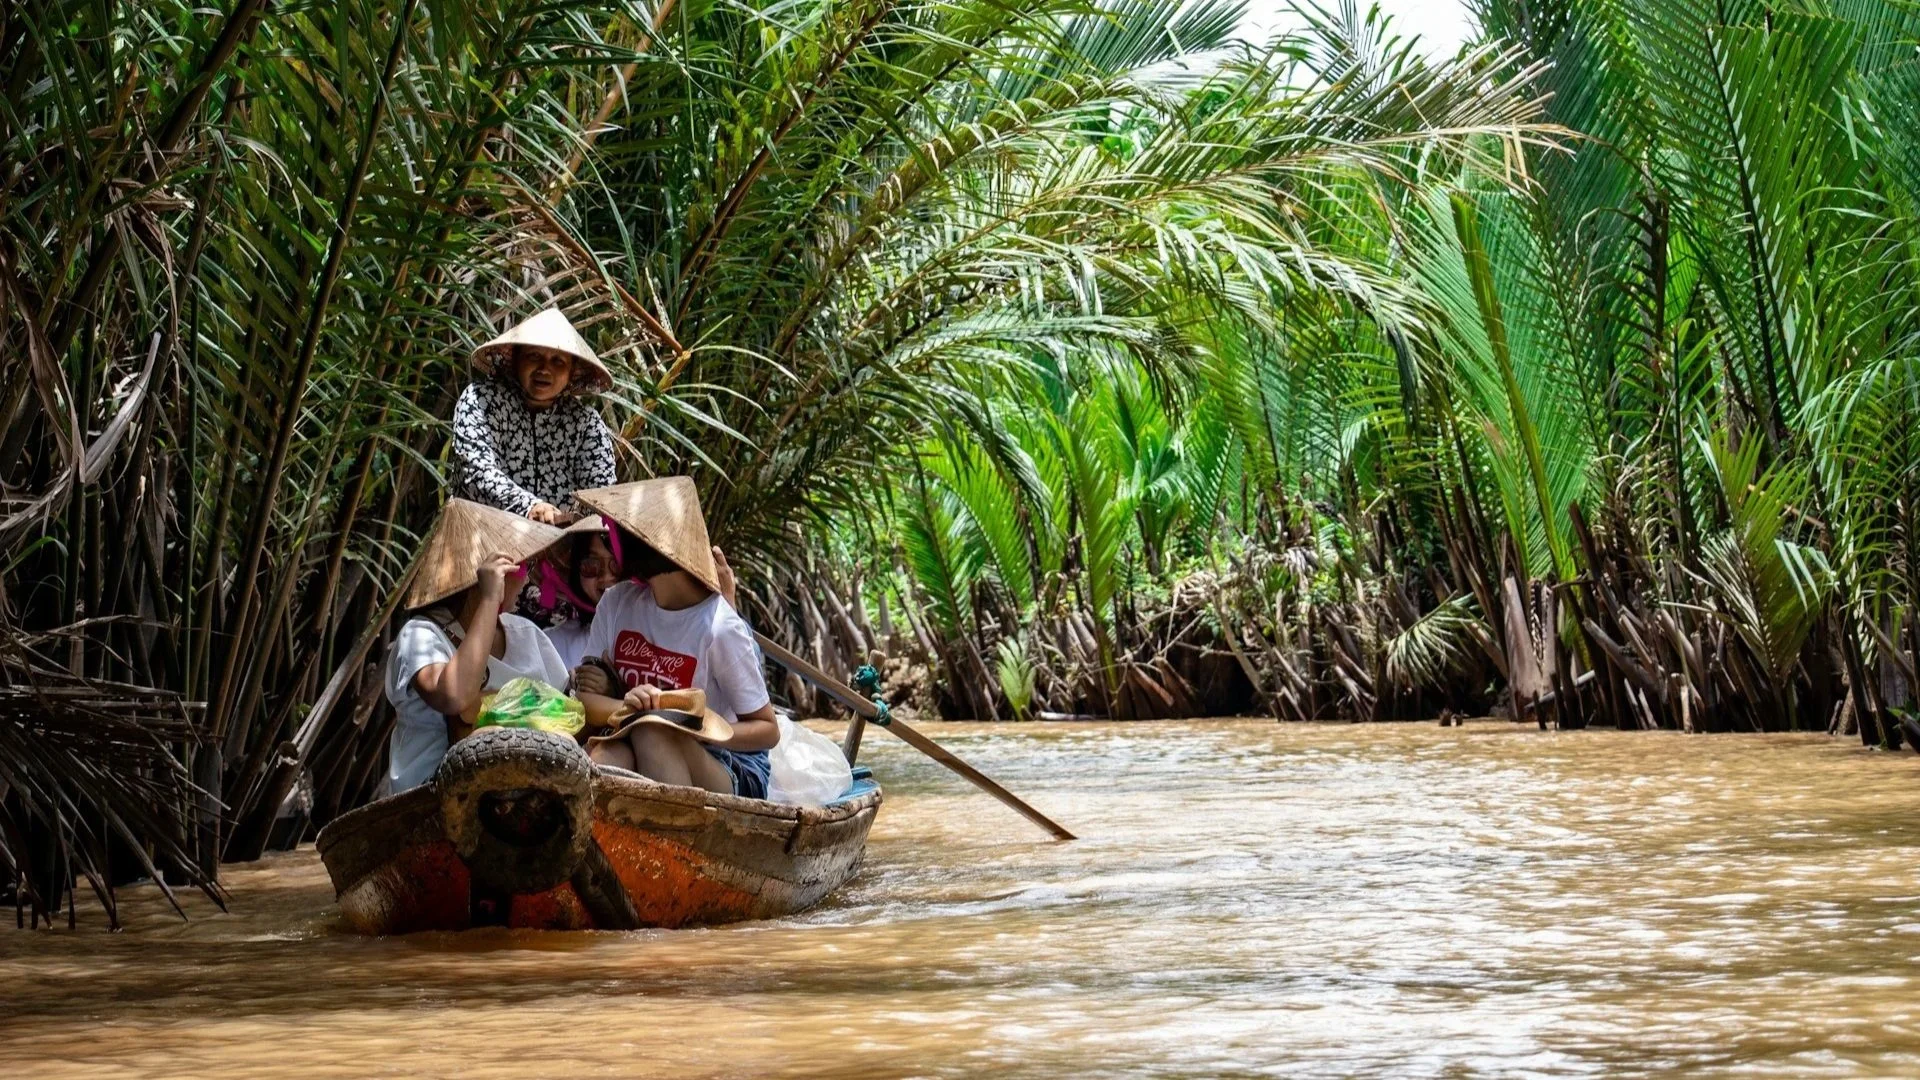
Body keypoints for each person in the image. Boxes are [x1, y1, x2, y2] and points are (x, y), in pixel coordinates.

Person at [570, 477, 779, 799]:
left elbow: (767, 730)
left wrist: (693, 726)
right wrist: (630, 707)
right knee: (608, 756)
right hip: (634, 734)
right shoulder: (617, 602)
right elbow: (585, 699)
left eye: (618, 536)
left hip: (729, 764)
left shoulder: (719, 627)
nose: (612, 545)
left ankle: (679, 837)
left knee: (652, 730)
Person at [385, 500, 570, 793]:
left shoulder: (525, 633)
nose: (527, 579)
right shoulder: (422, 634)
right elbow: (454, 696)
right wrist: (488, 599)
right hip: (432, 797)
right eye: (522, 566)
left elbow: (565, 709)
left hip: (530, 795)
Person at [453, 307, 616, 526]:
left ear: (571, 373)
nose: (544, 369)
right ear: (516, 359)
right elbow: (474, 471)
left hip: (558, 549)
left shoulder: (585, 423)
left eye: (558, 361)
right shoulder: (481, 399)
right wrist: (530, 507)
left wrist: (571, 524)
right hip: (484, 542)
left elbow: (602, 496)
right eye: (534, 356)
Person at [539, 516, 621, 670]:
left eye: (617, 563)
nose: (606, 576)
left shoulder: (666, 638)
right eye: (591, 564)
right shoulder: (551, 644)